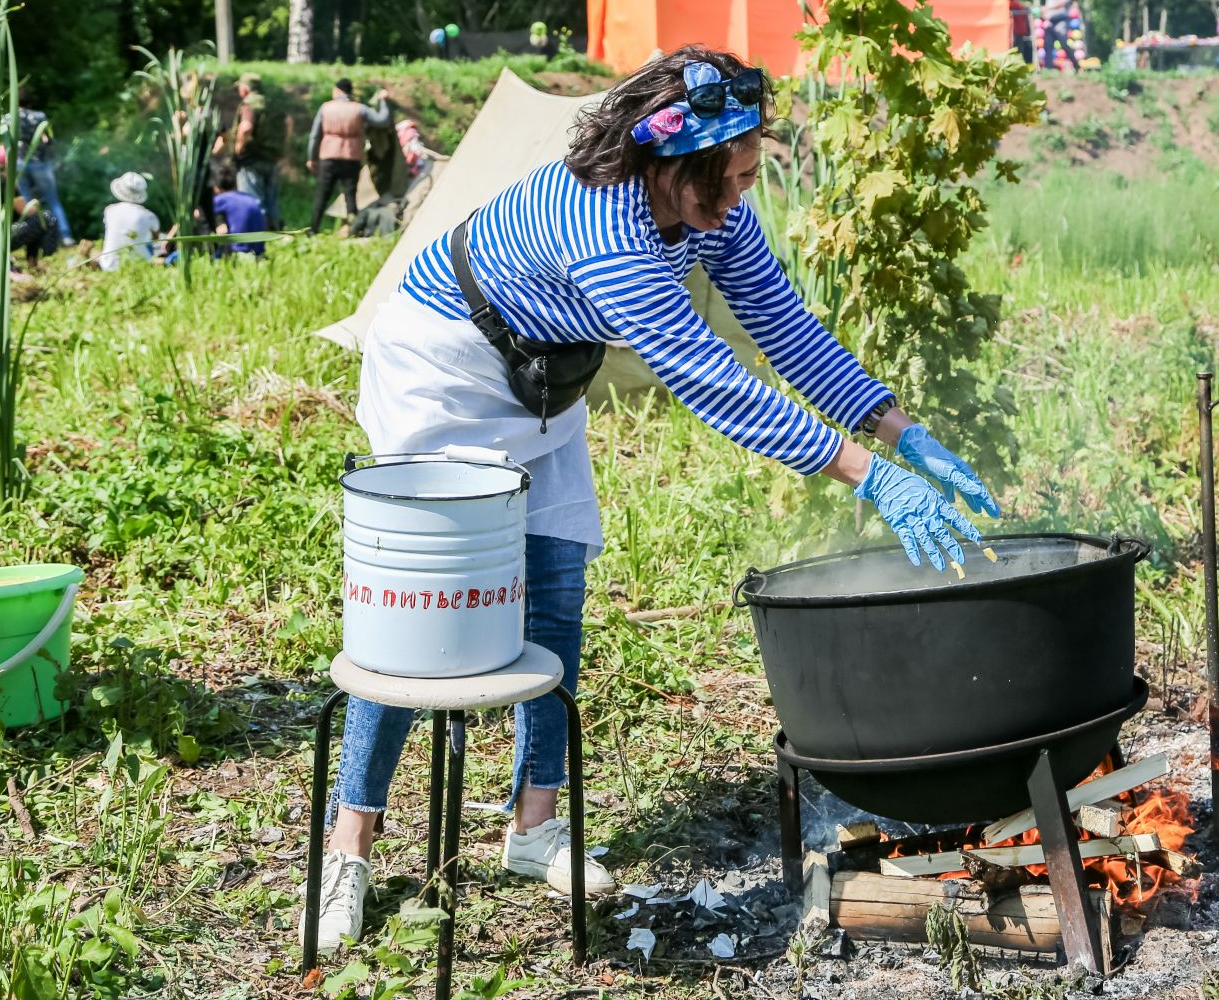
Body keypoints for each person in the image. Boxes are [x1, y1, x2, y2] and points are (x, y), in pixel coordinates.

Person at [306, 46, 999, 955]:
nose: (745, 194)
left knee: (555, 591)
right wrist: (867, 476)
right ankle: (348, 844)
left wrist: (895, 428)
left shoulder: (709, 211)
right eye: (739, 175)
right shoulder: (605, 224)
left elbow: (782, 326)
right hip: (446, 370)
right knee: (413, 614)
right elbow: (713, 382)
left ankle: (533, 828)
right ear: (680, 165)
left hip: (544, 382)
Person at [307, 77, 389, 234]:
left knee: (322, 195)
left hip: (328, 158)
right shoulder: (360, 109)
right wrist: (383, 101)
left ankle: (313, 229)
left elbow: (314, 136)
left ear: (338, 90)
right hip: (351, 157)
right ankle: (354, 229)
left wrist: (311, 157)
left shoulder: (325, 108)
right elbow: (382, 120)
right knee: (350, 195)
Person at [219, 72, 283, 229]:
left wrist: (238, 149)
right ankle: (274, 233)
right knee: (271, 200)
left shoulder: (249, 104)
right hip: (271, 157)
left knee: (253, 199)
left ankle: (257, 235)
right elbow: (287, 123)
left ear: (245, 89)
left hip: (251, 159)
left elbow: (246, 127)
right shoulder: (271, 103)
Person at [12, 87, 73, 245]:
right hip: (40, 163)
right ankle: (65, 236)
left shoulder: (8, 118)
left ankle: (34, 237)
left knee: (26, 203)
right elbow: (47, 139)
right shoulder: (39, 116)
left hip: (19, 163)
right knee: (53, 201)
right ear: (29, 101)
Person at [96, 171, 160, 270]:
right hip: (139, 264)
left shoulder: (109, 210)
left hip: (108, 264)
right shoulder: (149, 216)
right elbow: (156, 239)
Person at [210, 160, 268, 258]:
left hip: (240, 252)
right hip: (259, 251)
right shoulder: (248, 197)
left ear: (216, 188)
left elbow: (200, 214)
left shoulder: (221, 199)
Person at [1040, 0, 1076, 71]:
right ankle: (1047, 68)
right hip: (1051, 21)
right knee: (1047, 44)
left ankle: (1076, 65)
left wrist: (1047, 8)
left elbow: (1063, 3)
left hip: (1061, 20)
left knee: (1064, 44)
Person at [9, 194, 60, 265]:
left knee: (35, 221)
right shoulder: (6, 184)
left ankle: (33, 262)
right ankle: (47, 263)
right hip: (3, 236)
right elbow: (26, 209)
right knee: (48, 219)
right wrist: (35, 204)